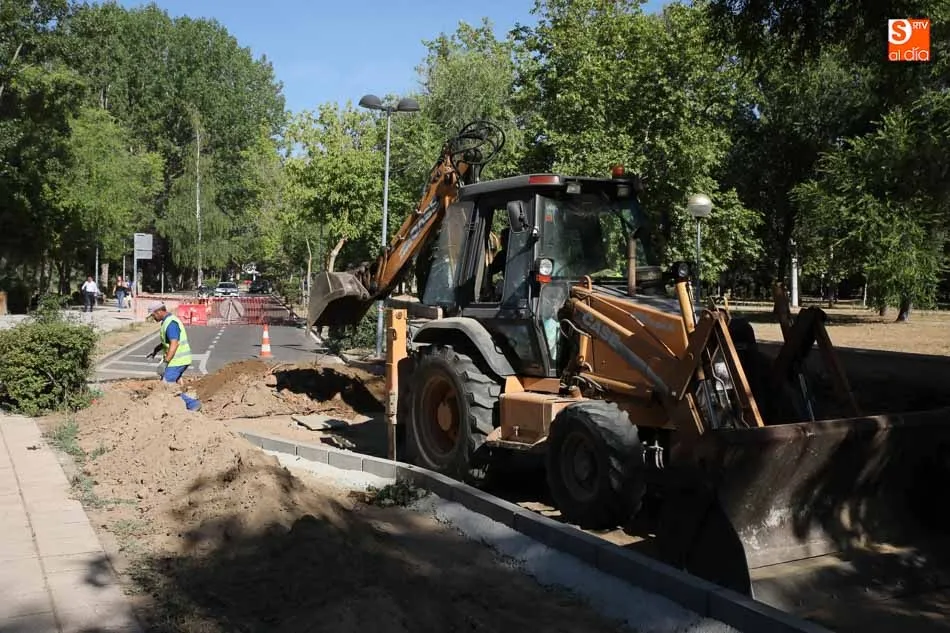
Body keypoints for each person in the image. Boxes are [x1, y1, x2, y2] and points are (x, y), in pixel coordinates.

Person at [145, 301, 202, 411]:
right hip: (176, 360)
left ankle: (192, 404)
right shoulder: (166, 321)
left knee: (166, 386)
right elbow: (167, 341)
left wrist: (165, 362)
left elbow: (174, 343)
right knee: (167, 385)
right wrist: (156, 350)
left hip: (178, 361)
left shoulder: (171, 323)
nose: (153, 318)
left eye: (153, 315)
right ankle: (176, 407)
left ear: (159, 311)